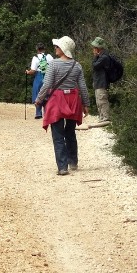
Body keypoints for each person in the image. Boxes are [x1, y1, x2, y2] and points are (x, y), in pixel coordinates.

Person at [35, 36, 89, 175]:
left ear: (63, 49)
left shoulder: (53, 64)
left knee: (58, 135)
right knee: (70, 132)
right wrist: (85, 104)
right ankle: (73, 162)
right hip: (73, 101)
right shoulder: (77, 65)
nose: (55, 48)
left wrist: (39, 99)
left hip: (57, 101)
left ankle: (62, 167)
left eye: (57, 46)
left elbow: (47, 85)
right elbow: (82, 86)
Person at [24, 42, 53, 119]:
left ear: (37, 49)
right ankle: (47, 113)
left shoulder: (35, 58)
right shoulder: (49, 56)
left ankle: (38, 113)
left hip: (39, 77)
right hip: (48, 76)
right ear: (44, 49)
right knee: (47, 93)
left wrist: (27, 72)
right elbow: (54, 66)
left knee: (37, 93)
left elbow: (33, 70)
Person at [90, 36, 111, 123]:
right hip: (98, 82)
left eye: (95, 48)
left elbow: (95, 65)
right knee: (98, 100)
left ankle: (106, 117)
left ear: (99, 48)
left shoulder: (104, 57)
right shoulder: (100, 57)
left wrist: (95, 56)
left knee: (102, 100)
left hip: (102, 82)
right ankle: (101, 116)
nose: (93, 50)